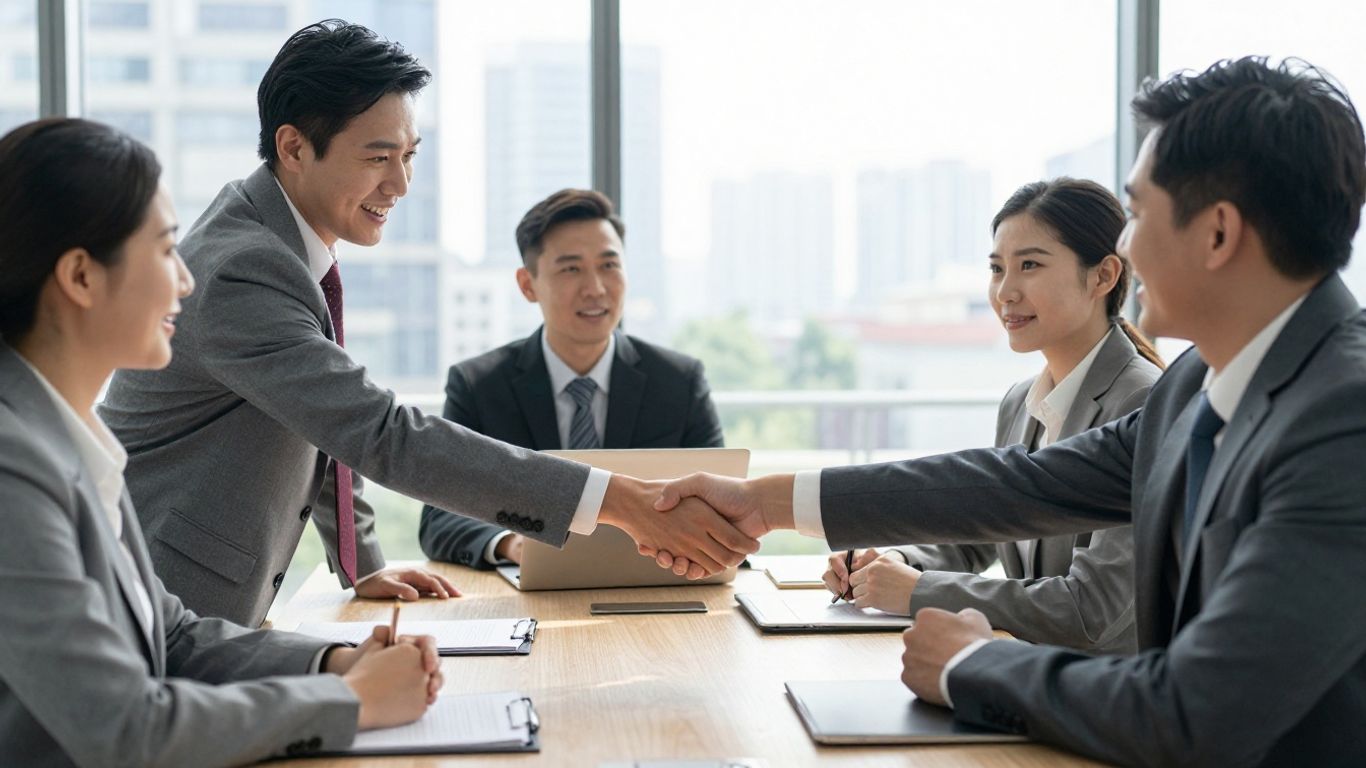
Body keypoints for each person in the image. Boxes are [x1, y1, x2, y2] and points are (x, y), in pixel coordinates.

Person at [652, 57, 1366, 766]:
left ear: (1217, 233)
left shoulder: (1345, 421)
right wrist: (765, 502)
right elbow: (1020, 484)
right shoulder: (1193, 386)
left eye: (1138, 213)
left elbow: (1198, 711)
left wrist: (972, 664)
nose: (1123, 245)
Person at [98, 20, 756, 627]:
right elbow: (378, 432)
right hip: (159, 603)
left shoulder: (278, 244)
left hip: (194, 599)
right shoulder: (247, 268)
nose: (401, 184)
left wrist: (363, 564)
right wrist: (620, 502)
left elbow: (320, 422)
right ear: (294, 147)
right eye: (378, 157)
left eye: (409, 154)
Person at [0, 118, 443, 766]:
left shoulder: (67, 438)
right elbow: (125, 729)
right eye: (164, 251)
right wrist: (353, 703)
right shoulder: (13, 468)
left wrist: (335, 662)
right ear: (81, 277)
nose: (186, 280)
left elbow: (172, 636)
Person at [822, 178, 1163, 653]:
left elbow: (1089, 610)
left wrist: (918, 591)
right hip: (1025, 672)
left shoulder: (1142, 403)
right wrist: (897, 561)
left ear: (1103, 276)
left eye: (1030, 265)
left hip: (1103, 687)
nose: (1005, 292)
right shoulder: (1021, 401)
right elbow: (980, 538)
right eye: (997, 268)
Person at [419, 189, 725, 568]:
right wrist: (511, 544)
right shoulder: (478, 386)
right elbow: (439, 520)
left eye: (609, 265)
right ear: (527, 285)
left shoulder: (679, 382)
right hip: (531, 590)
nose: (595, 288)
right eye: (571, 269)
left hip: (659, 582)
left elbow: (721, 505)